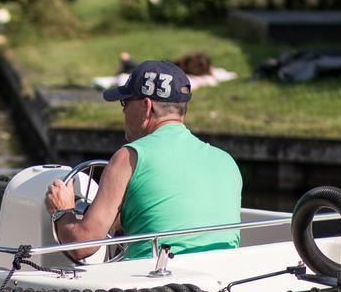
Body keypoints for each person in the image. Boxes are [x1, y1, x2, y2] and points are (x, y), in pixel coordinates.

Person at [44, 59, 242, 261]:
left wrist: (63, 210)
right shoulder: (226, 161)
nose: (123, 111)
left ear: (146, 106)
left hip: (155, 286)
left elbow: (82, 245)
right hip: (223, 279)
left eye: (125, 102)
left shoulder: (129, 157)